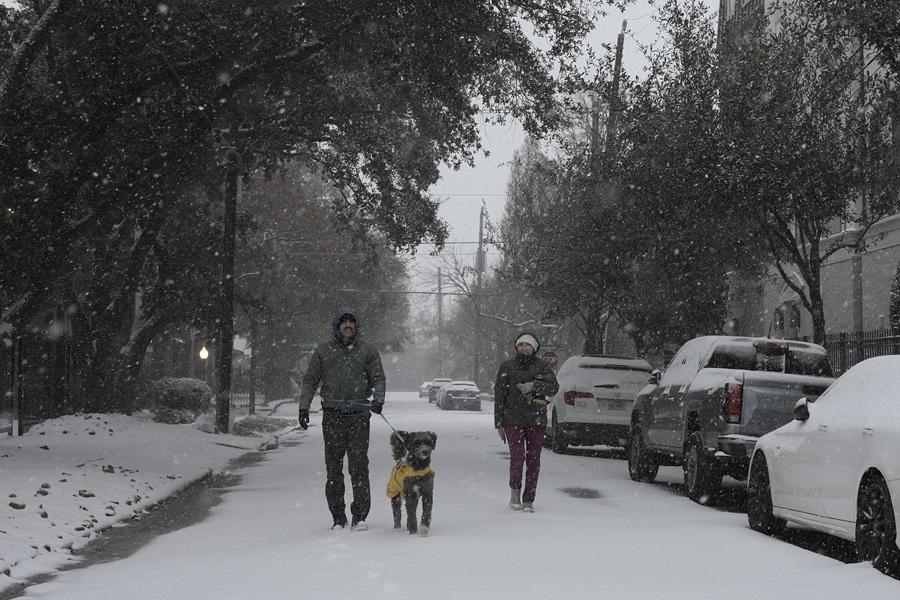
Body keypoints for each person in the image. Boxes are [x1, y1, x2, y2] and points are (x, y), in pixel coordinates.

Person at [298, 310, 386, 531]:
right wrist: (303, 407)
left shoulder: (367, 350)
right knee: (333, 468)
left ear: (356, 327)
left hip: (358, 415)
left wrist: (378, 399)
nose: (348, 326)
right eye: (344, 323)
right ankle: (338, 517)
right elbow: (310, 380)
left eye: (351, 323)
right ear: (336, 327)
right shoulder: (323, 351)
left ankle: (360, 516)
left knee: (358, 466)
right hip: (333, 415)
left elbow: (378, 377)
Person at [493, 332, 558, 512]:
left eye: (527, 344)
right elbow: (499, 395)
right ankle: (515, 492)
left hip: (536, 419)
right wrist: (498, 422)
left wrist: (534, 385)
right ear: (516, 347)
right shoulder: (507, 366)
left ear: (534, 347)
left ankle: (529, 498)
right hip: (512, 419)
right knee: (517, 458)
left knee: (533, 459)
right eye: (520, 344)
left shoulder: (542, 366)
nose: (523, 347)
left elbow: (554, 387)